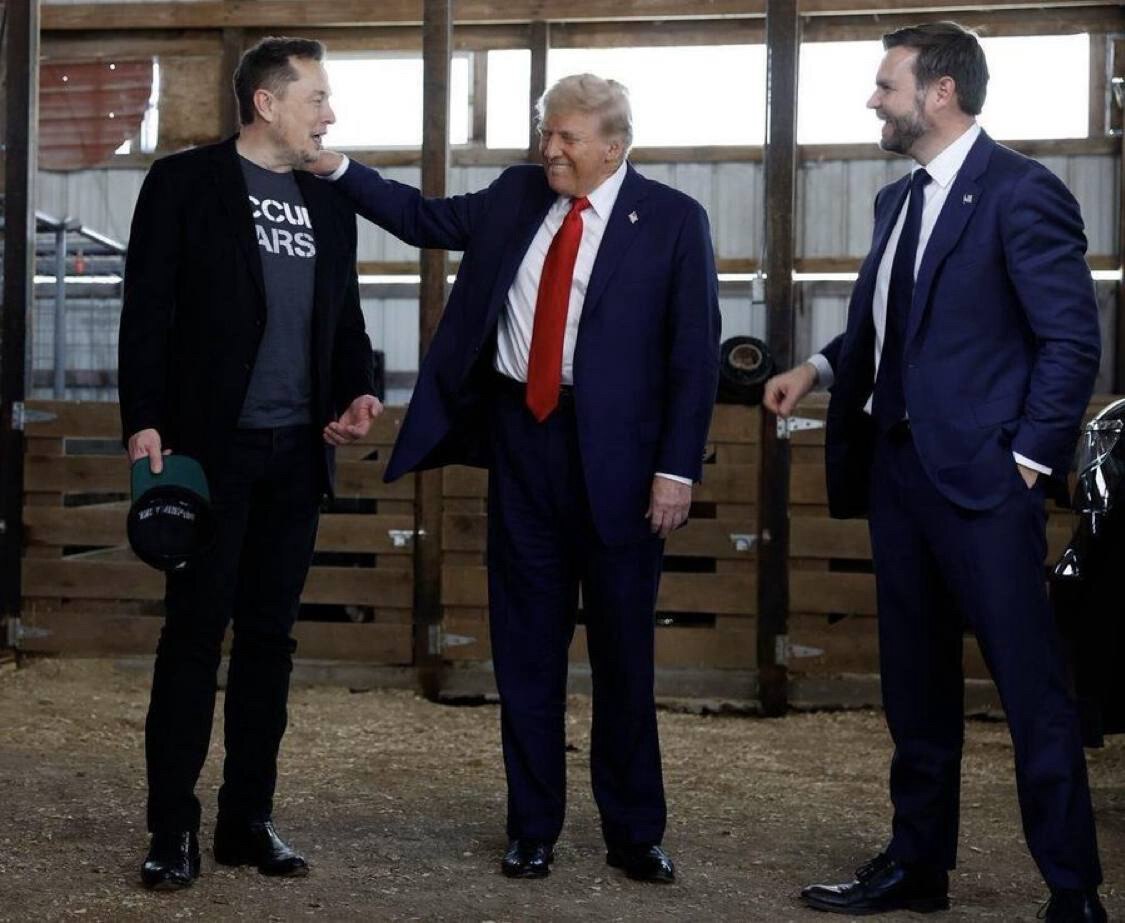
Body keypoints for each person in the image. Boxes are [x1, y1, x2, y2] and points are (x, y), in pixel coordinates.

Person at [308, 74, 720, 882]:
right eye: (545, 134)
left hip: (625, 465)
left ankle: (634, 831)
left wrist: (676, 468)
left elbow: (692, 354)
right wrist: (336, 169)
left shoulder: (673, 221)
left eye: (565, 137)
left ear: (613, 144)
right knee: (525, 649)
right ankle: (532, 825)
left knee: (623, 655)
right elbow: (423, 218)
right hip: (523, 446)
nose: (550, 150)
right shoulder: (514, 194)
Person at [763, 22, 1105, 922]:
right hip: (899, 477)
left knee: (1030, 691)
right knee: (913, 690)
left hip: (988, 485)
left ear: (939, 92)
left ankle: (1072, 889)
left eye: (886, 85)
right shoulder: (895, 203)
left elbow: (1070, 341)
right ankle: (918, 867)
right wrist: (822, 369)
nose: (873, 100)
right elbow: (891, 327)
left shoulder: (1022, 194)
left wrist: (1027, 460)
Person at [118, 36, 380, 890]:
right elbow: (145, 309)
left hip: (296, 454)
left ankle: (246, 820)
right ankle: (171, 829)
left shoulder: (327, 200)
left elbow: (344, 320)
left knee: (269, 640)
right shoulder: (184, 184)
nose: (329, 114)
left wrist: (358, 391)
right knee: (194, 636)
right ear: (267, 103)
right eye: (316, 98)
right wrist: (144, 420)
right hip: (209, 450)